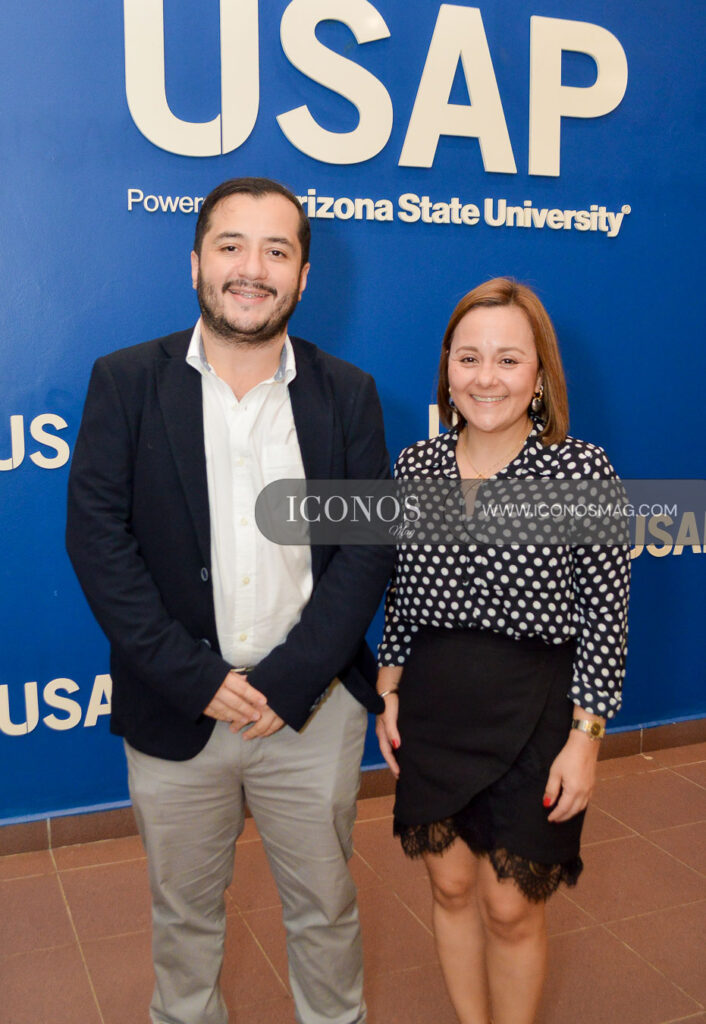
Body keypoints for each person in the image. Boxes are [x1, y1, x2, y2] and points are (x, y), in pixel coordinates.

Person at [66, 177, 392, 1024]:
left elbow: (364, 551)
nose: (253, 269)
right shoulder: (125, 381)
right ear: (197, 261)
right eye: (232, 246)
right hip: (177, 710)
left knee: (325, 912)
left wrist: (287, 683)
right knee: (184, 918)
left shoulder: (347, 393)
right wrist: (196, 678)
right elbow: (98, 544)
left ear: (304, 276)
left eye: (277, 250)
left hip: (309, 712)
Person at [375, 278, 630, 1024]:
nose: (486, 378)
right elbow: (406, 593)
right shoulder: (416, 466)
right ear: (446, 369)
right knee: (450, 889)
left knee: (511, 908)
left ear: (540, 375)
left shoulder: (583, 471)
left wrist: (586, 739)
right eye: (469, 358)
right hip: (434, 705)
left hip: (538, 712)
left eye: (508, 360)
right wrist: (387, 687)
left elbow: (606, 618)